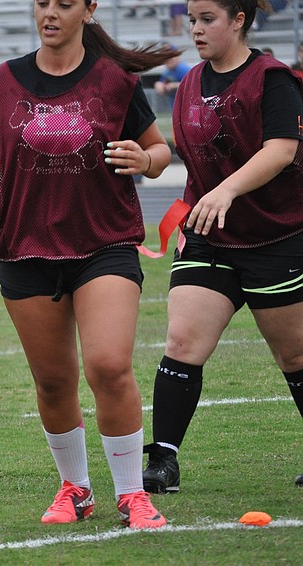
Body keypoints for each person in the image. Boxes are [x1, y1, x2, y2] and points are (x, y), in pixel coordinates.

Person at [0, 0, 178, 530]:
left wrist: (145, 161)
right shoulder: (0, 83)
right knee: (53, 382)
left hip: (104, 244)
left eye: (64, 3)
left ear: (89, 10)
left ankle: (132, 494)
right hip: (24, 248)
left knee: (109, 367)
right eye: (42, 2)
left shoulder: (114, 81)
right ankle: (76, 489)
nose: (50, 13)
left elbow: (159, 151)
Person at [142, 0, 303, 492]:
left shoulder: (272, 79)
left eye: (207, 19)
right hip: (209, 235)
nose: (195, 29)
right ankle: (163, 460)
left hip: (276, 236)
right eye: (192, 20)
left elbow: (283, 149)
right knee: (182, 342)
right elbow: (193, 155)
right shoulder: (190, 82)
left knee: (294, 356)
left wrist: (226, 190)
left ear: (238, 20)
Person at [154, 43, 192, 111]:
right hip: (176, 108)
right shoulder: (167, 72)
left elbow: (193, 86)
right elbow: (162, 87)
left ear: (177, 56)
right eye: (165, 57)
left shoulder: (184, 69)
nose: (169, 59)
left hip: (189, 108)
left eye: (171, 56)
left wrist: (174, 85)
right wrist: (159, 85)